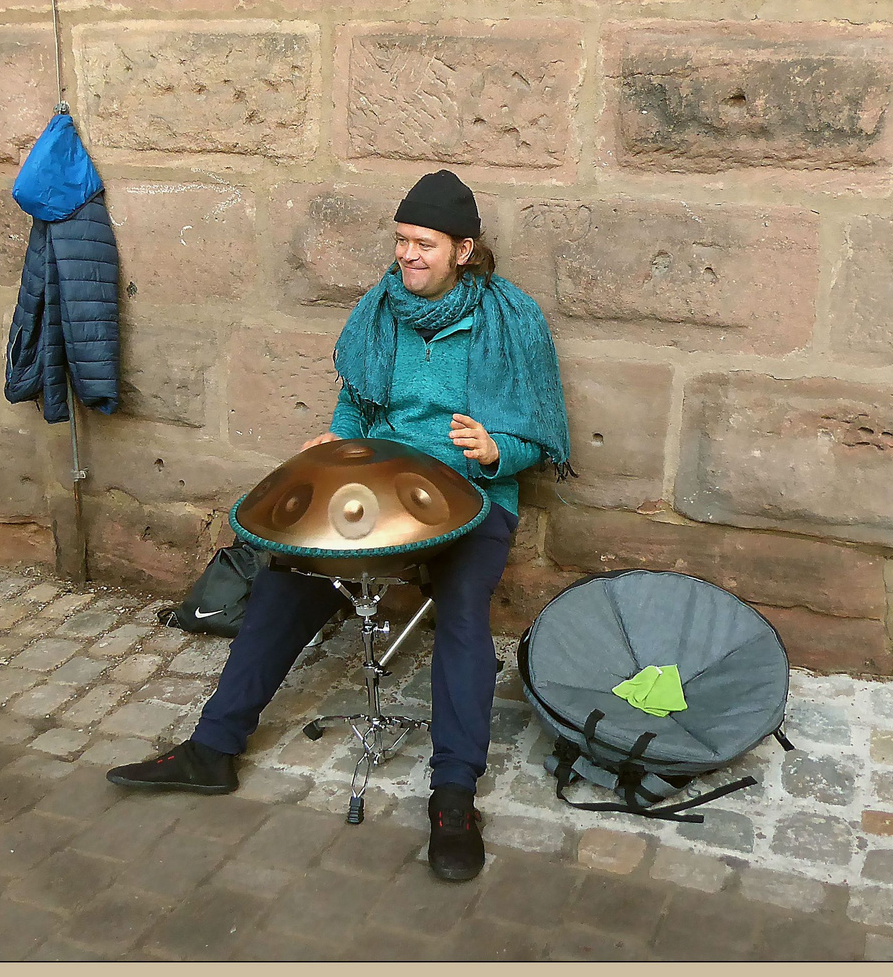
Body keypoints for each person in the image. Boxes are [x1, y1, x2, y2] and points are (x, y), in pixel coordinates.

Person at [107, 170, 572, 882]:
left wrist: (500, 448)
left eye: (423, 243)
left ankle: (453, 796)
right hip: (380, 492)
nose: (407, 256)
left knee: (464, 618)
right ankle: (213, 748)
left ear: (465, 250)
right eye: (400, 242)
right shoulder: (380, 309)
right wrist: (338, 443)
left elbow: (541, 434)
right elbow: (357, 403)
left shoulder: (513, 320)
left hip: (476, 496)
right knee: (287, 576)